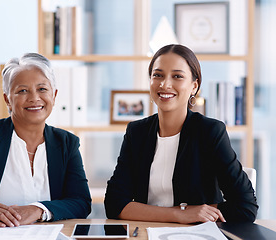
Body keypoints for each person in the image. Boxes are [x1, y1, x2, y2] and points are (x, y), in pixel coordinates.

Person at [104, 44, 258, 223]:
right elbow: (115, 204)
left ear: (194, 86)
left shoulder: (210, 132)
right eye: (158, 75)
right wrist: (180, 213)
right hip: (146, 233)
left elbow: (246, 207)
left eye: (177, 76)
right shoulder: (136, 132)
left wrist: (200, 213)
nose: (165, 84)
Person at [0, 53, 92, 227]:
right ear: (7, 100)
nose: (34, 98)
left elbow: (81, 202)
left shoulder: (67, 143)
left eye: (42, 89)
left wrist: (38, 210)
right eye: (22, 91)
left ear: (54, 95)